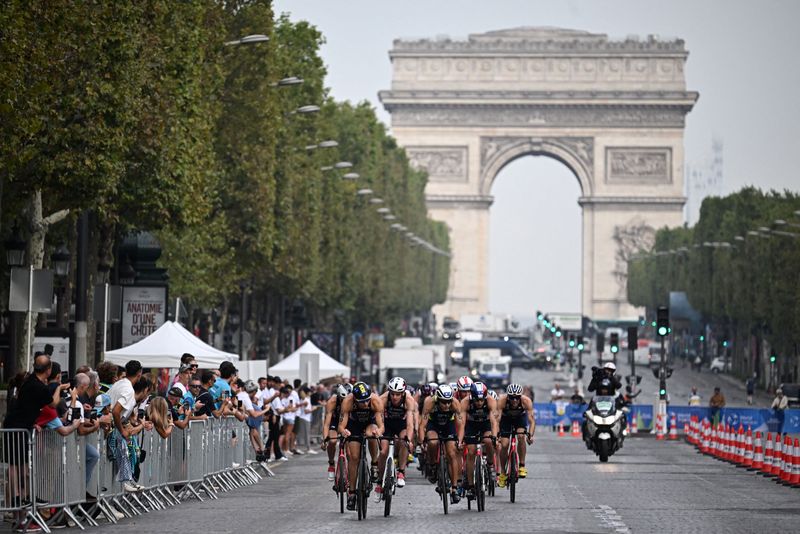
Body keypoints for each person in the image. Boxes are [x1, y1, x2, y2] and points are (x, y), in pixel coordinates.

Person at [338, 381, 384, 511]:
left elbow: (381, 426)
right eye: (361, 401)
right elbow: (341, 425)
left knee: (372, 433)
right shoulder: (347, 402)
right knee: (354, 458)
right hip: (354, 425)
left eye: (366, 401)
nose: (365, 404)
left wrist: (378, 432)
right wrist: (344, 431)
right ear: (354, 399)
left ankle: (374, 463)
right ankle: (352, 493)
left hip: (370, 423)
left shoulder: (376, 401)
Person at [419, 384, 463, 504]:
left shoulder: (455, 403)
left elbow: (460, 425)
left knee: (452, 453)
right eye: (443, 402)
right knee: (433, 442)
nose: (447, 405)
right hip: (433, 425)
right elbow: (422, 424)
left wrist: (459, 440)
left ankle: (454, 489)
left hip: (449, 425)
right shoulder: (429, 402)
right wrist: (422, 441)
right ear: (438, 400)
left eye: (448, 402)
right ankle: (433, 465)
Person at [107, 360, 145, 492]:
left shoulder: (119, 384)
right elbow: (116, 411)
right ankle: (125, 481)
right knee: (122, 452)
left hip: (109, 425)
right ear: (139, 374)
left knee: (120, 454)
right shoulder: (128, 390)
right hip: (110, 427)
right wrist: (122, 429)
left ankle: (126, 480)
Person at [375, 377, 414, 501]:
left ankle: (401, 471)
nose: (395, 397)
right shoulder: (383, 399)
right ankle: (380, 480)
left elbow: (410, 424)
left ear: (403, 393)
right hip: (387, 424)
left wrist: (409, 439)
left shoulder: (408, 400)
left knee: (404, 441)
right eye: (392, 394)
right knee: (383, 451)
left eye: (398, 394)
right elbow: (379, 419)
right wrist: (379, 431)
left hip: (401, 425)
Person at [459, 381, 499, 500]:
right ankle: (471, 486)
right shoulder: (465, 402)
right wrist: (460, 440)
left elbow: (493, 422)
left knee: (488, 441)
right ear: (472, 396)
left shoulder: (491, 401)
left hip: (485, 425)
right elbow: (462, 424)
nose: (479, 403)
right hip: (471, 426)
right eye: (477, 400)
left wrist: (495, 437)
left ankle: (490, 464)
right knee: (471, 452)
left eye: (482, 400)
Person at [497, 383, 535, 487]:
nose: (514, 400)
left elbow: (531, 421)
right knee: (504, 444)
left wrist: (531, 435)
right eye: (512, 398)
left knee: (521, 436)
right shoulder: (502, 400)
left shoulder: (526, 401)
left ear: (520, 397)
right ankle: (503, 473)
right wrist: (496, 435)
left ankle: (522, 465)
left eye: (517, 398)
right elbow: (497, 419)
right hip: (505, 420)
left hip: (520, 419)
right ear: (508, 396)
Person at [322, 383, 351, 480]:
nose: (345, 402)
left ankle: (351, 470)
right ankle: (331, 464)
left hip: (347, 421)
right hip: (335, 421)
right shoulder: (332, 402)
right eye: (343, 400)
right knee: (332, 441)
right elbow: (326, 424)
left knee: (349, 450)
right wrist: (324, 439)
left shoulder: (352, 401)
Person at [295, 386, 319, 456]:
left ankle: (307, 448)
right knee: (306, 434)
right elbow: (306, 411)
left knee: (305, 434)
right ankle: (308, 448)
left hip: (305, 418)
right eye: (309, 391)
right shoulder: (306, 400)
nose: (311, 392)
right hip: (305, 418)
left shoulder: (306, 399)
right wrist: (313, 409)